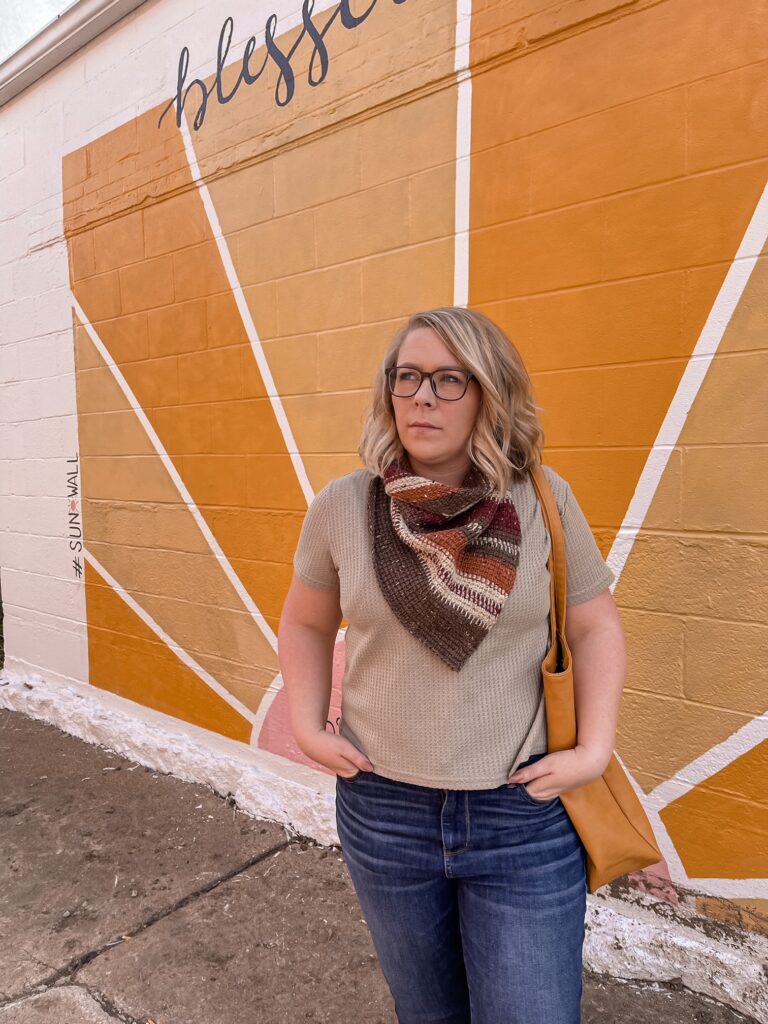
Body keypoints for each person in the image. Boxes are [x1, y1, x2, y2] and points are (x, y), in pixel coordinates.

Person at [277, 306, 627, 1024]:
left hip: (521, 815)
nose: (423, 398)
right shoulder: (344, 506)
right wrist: (307, 726)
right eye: (408, 378)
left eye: (448, 380)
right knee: (427, 1013)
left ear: (489, 395)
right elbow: (307, 621)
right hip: (385, 811)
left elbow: (595, 627)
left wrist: (595, 748)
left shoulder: (544, 502)